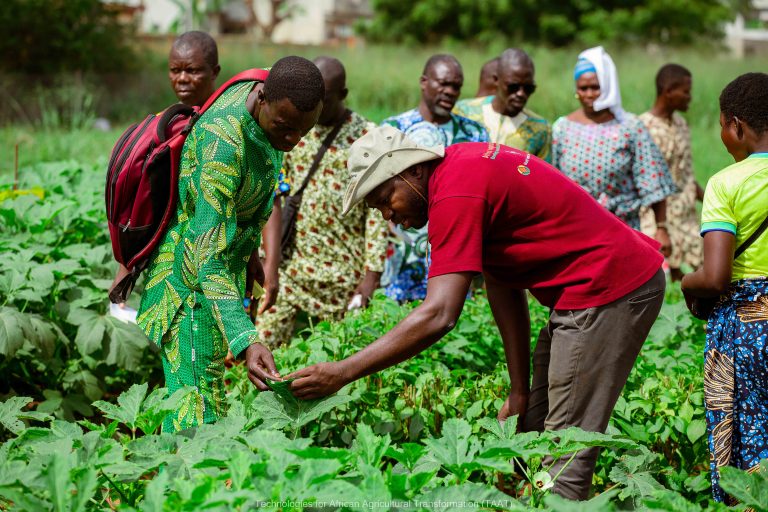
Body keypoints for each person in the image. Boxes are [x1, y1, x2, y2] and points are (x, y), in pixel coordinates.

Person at [287, 125, 666, 500]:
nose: (389, 215)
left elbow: (440, 313)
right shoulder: (460, 169)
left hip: (607, 287)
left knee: (565, 457)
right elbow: (503, 282)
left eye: (387, 198)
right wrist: (518, 391)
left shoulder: (455, 193)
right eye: (378, 208)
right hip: (588, 290)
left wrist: (343, 372)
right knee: (532, 425)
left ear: (413, 170)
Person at [136, 56, 324, 432]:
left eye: (303, 131)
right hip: (190, 288)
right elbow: (207, 257)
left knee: (202, 400)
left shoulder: (273, 99)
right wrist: (247, 341)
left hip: (217, 279)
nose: (293, 141)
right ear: (262, 98)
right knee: (197, 417)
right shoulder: (223, 145)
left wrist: (250, 250)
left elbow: (242, 200)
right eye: (285, 128)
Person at [255, 57, 389, 347]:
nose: (312, 108)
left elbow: (377, 213)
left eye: (323, 100)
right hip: (292, 267)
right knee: (261, 342)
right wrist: (269, 262)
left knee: (338, 354)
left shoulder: (367, 136)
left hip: (343, 274)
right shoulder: (292, 126)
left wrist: (372, 275)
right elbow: (275, 194)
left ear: (342, 95)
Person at [681, 72, 768, 504]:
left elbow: (715, 278)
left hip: (746, 330)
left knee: (744, 439)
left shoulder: (726, 183)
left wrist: (685, 282)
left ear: (736, 125)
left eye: (720, 125)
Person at [381, 54, 488, 302]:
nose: (450, 91)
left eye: (456, 86)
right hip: (403, 253)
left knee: (451, 316)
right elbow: (378, 195)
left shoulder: (474, 133)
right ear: (424, 82)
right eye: (443, 83)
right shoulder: (393, 129)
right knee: (395, 319)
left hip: (454, 252)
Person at [551, 46, 676, 258]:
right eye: (583, 88)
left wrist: (661, 227)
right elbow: (552, 183)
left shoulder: (630, 127)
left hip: (622, 229)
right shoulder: (562, 128)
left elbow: (652, 180)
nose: (588, 94)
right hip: (575, 231)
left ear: (608, 85)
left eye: (595, 87)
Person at [638, 64, 705, 280]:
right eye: (685, 92)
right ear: (668, 91)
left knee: (703, 271)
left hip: (685, 216)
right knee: (658, 278)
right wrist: (661, 226)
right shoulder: (642, 127)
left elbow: (686, 175)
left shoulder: (681, 124)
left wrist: (708, 199)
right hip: (655, 218)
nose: (689, 97)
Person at [454, 48, 551, 162]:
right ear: (496, 80)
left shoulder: (540, 129)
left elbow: (542, 172)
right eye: (513, 87)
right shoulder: (464, 111)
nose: (521, 94)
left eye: (528, 88)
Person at [168, 31, 221, 107]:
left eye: (192, 71)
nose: (182, 78)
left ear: (214, 72)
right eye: (175, 70)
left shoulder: (231, 112)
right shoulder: (168, 114)